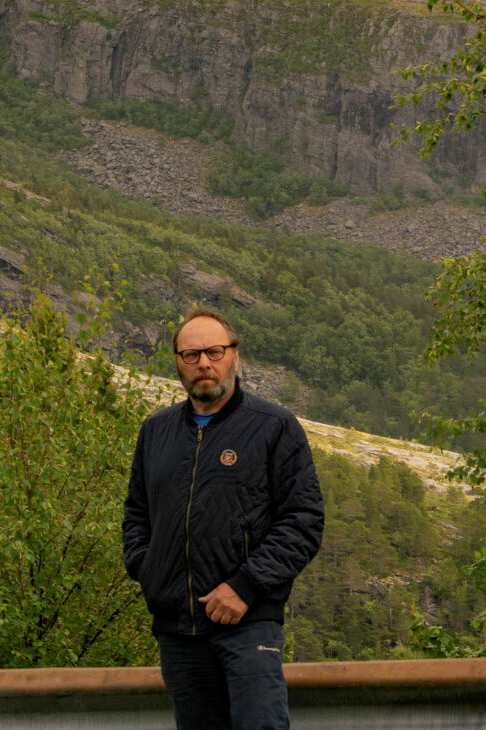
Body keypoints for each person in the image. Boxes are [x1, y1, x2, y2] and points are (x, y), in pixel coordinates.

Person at [123, 307, 324, 730]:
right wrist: (149, 573)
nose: (203, 364)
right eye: (190, 355)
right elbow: (136, 515)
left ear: (234, 355)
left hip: (248, 625)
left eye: (214, 352)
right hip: (178, 631)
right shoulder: (155, 432)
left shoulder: (274, 427)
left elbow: (303, 520)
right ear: (178, 362)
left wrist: (245, 587)